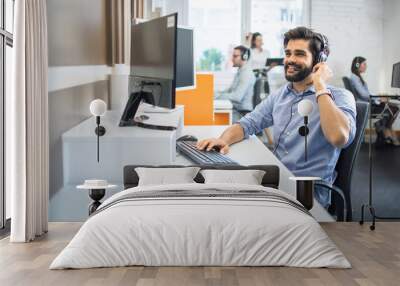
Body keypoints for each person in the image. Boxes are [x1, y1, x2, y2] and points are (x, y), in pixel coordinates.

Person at [199, 27, 357, 209]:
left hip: (308, 195)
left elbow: (339, 137)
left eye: (299, 54)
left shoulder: (340, 97)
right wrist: (222, 140)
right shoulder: (281, 95)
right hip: (278, 183)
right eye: (288, 53)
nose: (290, 60)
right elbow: (247, 124)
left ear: (318, 61)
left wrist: (320, 86)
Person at [350, 56, 400, 146]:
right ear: (357, 65)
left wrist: (379, 97)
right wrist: (379, 98)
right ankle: (382, 128)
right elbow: (364, 95)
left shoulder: (357, 78)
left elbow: (366, 93)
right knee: (394, 108)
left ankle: (381, 128)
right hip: (367, 106)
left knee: (393, 108)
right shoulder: (354, 78)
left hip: (368, 104)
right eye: (364, 64)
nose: (366, 66)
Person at [215, 45, 256, 122]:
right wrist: (215, 93)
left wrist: (217, 96)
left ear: (244, 57)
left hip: (242, 113)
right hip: (236, 109)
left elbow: (237, 97)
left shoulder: (246, 74)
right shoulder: (240, 71)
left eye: (235, 56)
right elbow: (230, 90)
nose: (232, 59)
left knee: (216, 119)